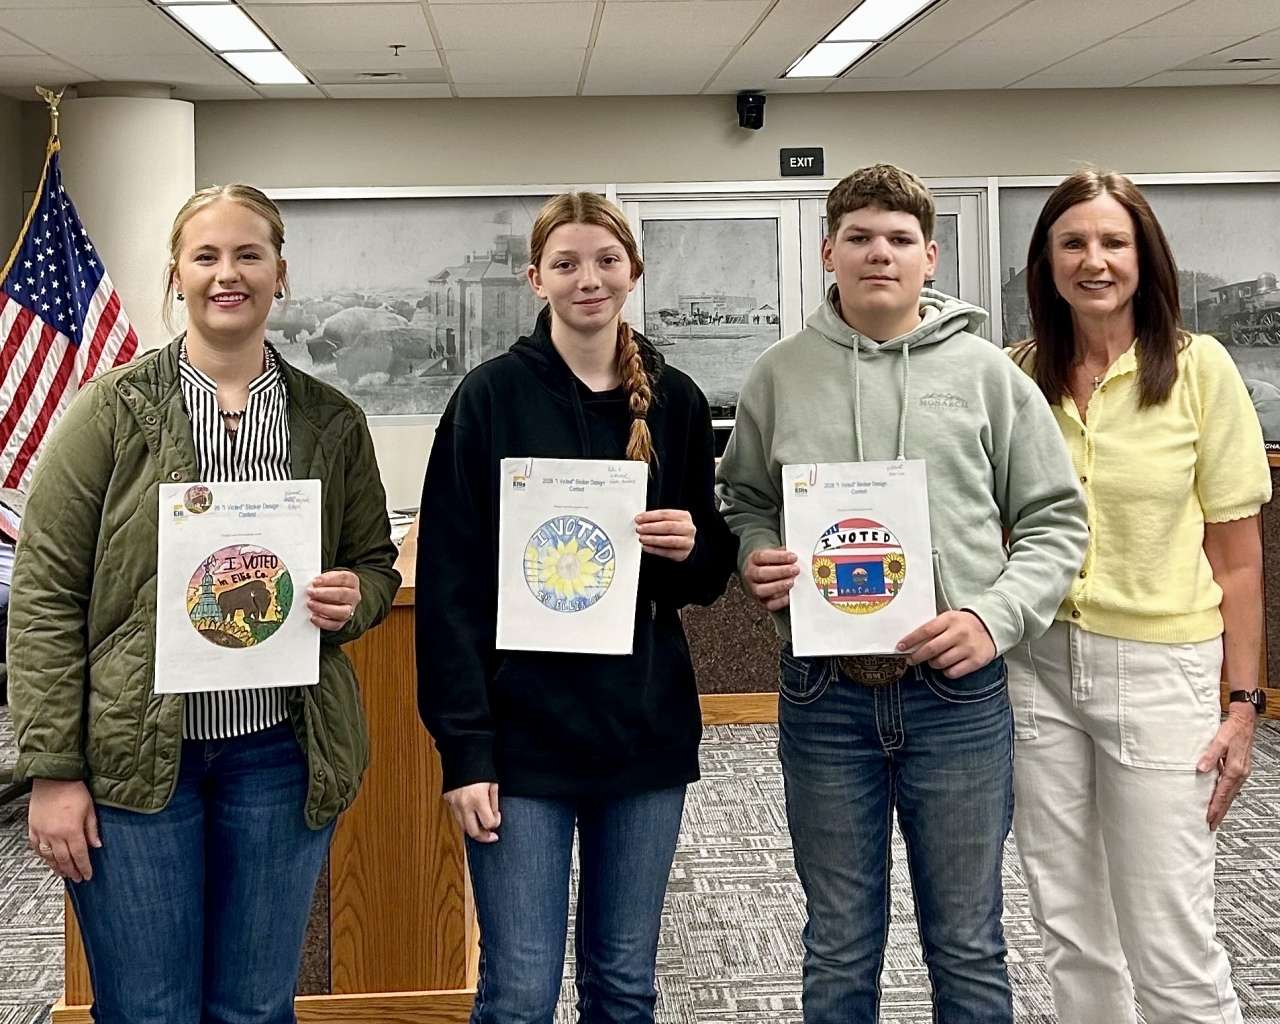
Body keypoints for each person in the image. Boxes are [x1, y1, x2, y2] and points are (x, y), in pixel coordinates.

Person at [9, 184, 400, 1024]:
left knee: (256, 1007)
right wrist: (52, 772)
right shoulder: (108, 413)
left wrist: (353, 597)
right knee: (149, 1009)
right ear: (177, 274)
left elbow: (375, 563)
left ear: (280, 274)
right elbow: (43, 596)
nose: (230, 274)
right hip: (134, 763)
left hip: (279, 752)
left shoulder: (330, 421)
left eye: (249, 255)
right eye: (208, 256)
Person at [715, 163, 1088, 1023]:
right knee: (839, 942)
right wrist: (758, 552)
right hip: (824, 692)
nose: (878, 253)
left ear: (930, 255)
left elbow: (1056, 520)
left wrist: (994, 620)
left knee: (967, 941)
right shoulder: (779, 373)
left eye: (897, 239)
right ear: (827, 253)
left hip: (957, 695)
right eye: (859, 238)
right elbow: (743, 498)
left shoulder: (990, 374)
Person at [416, 191, 737, 1024]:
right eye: (566, 263)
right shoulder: (488, 399)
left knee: (624, 990)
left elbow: (703, 579)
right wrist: (465, 750)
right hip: (519, 745)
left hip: (642, 735)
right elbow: (447, 590)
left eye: (605, 261)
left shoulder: (678, 401)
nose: (587, 278)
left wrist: (687, 546)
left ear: (632, 272)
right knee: (519, 993)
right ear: (535, 279)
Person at [1007, 168, 1270, 1024]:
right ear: (1045, 262)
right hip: (1038, 669)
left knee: (1171, 939)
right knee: (1073, 932)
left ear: (1145, 256)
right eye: (1072, 243)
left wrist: (1242, 705)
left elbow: (1237, 561)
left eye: (1113, 242)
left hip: (1162, 674)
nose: (1094, 260)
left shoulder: (1201, 371)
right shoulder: (1020, 378)